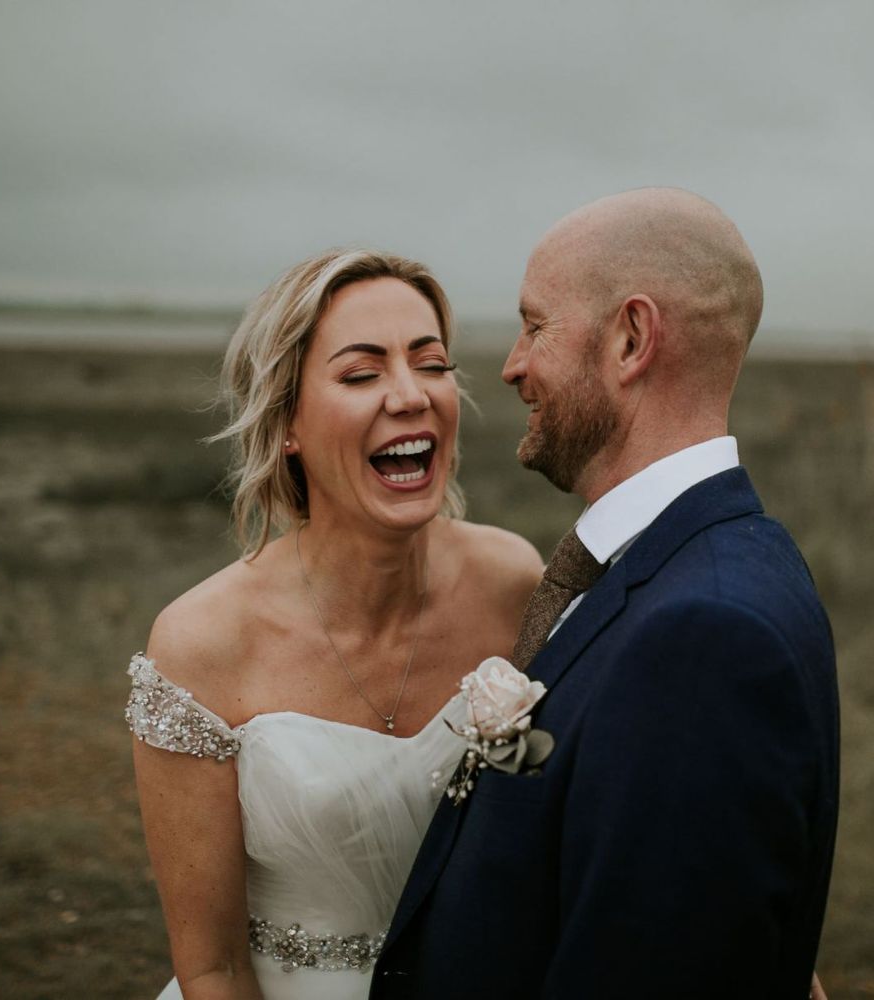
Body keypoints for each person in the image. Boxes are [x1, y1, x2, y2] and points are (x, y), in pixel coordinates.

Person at [372, 188, 839, 999]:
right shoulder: (698, 559)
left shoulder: (704, 638)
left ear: (631, 339)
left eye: (536, 324)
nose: (513, 364)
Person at [124, 248, 543, 999]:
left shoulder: (514, 583)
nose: (411, 395)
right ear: (286, 422)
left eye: (432, 363)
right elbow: (212, 968)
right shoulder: (201, 644)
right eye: (361, 374)